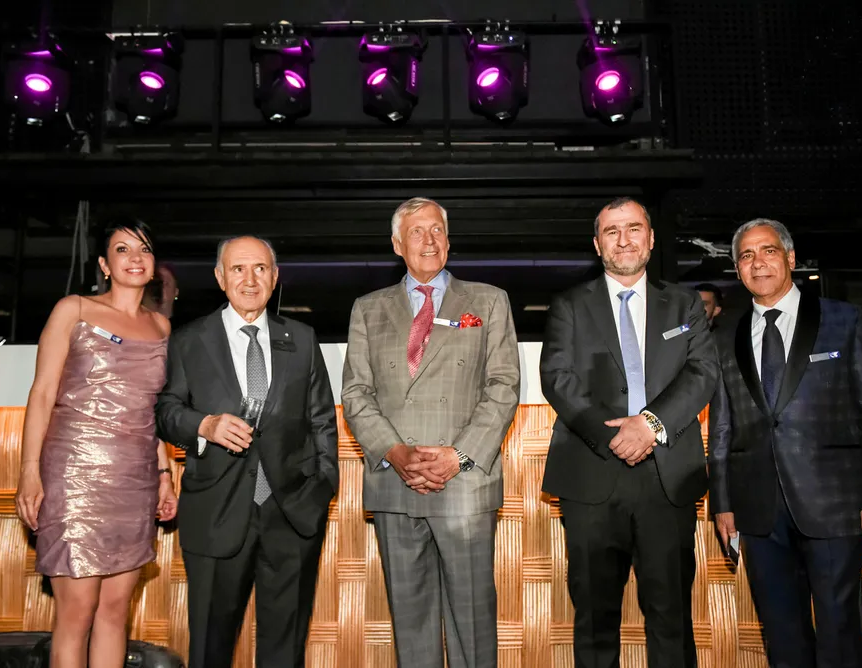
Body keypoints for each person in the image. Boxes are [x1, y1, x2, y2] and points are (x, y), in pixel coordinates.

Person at [708, 218, 862, 668]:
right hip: (758, 510)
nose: (758, 263)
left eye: (769, 251)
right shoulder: (724, 335)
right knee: (782, 637)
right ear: (737, 269)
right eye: (746, 256)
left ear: (791, 258)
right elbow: (722, 428)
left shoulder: (845, 320)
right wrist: (723, 503)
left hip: (834, 504)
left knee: (840, 634)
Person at [341, 197, 520, 668]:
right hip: (394, 482)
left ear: (449, 239)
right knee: (411, 625)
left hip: (464, 482)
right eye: (417, 231)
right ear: (397, 244)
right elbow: (356, 393)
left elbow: (504, 386)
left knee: (473, 624)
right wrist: (395, 452)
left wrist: (457, 456)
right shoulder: (367, 308)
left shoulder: (488, 300)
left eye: (437, 229)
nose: (429, 239)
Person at [540, 196, 717, 668]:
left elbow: (702, 371)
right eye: (612, 231)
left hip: (668, 478)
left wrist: (650, 426)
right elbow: (557, 378)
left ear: (651, 238)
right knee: (595, 620)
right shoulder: (569, 305)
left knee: (671, 617)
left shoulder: (684, 303)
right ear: (597, 244)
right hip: (591, 476)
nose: (624, 239)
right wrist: (617, 437)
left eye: (634, 228)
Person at [155, 236, 338, 668]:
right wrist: (205, 425)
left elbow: (322, 420)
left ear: (274, 277)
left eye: (260, 268)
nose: (250, 279)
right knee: (210, 648)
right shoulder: (188, 340)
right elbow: (165, 411)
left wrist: (321, 488)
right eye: (238, 269)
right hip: (215, 513)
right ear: (220, 278)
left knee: (284, 652)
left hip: (292, 515)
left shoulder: (302, 338)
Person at [14, 218, 177, 668]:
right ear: (105, 264)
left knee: (114, 612)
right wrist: (29, 471)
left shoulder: (162, 327)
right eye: (123, 249)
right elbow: (42, 393)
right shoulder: (74, 309)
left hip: (135, 479)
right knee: (77, 612)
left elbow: (152, 410)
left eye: (144, 249)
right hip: (75, 476)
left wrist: (164, 474)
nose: (135, 258)